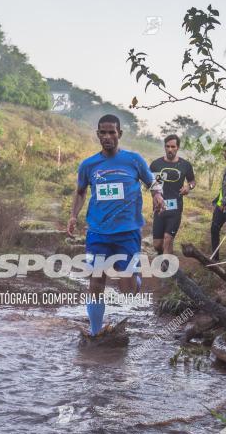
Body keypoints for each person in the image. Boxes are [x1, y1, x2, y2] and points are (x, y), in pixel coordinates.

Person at [67, 114, 164, 336]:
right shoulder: (89, 165)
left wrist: (157, 195)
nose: (108, 136)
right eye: (103, 132)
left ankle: (136, 279)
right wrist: (73, 215)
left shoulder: (134, 160)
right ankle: (94, 332)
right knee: (96, 282)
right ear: (98, 134)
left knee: (127, 290)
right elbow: (81, 192)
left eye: (112, 132)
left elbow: (153, 182)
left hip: (127, 233)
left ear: (120, 134)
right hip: (98, 233)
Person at [149, 135, 196, 263]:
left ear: (178, 148)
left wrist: (188, 187)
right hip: (159, 208)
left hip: (176, 208)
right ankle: (164, 255)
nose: (170, 149)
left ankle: (167, 270)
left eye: (173, 147)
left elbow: (192, 181)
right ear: (164, 147)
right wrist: (154, 194)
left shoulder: (185, 165)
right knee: (157, 244)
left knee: (168, 239)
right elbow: (151, 183)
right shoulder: (156, 164)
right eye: (167, 146)